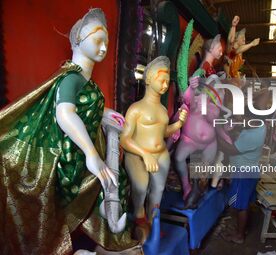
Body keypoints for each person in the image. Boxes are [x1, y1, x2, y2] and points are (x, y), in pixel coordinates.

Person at [0, 9, 137, 254]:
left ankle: (109, 234)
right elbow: (65, 114)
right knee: (102, 178)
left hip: (78, 149)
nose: (104, 47)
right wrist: (92, 155)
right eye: (98, 40)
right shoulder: (70, 78)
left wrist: (105, 113)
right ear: (78, 40)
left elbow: (85, 105)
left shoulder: (87, 82)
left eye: (106, 41)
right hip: (64, 153)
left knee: (116, 177)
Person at [120, 56, 187, 243]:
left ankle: (151, 221)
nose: (165, 85)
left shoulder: (163, 110)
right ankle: (139, 213)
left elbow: (163, 131)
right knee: (141, 187)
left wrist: (179, 123)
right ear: (149, 79)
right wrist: (144, 154)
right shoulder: (136, 109)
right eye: (161, 80)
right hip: (138, 155)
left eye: (167, 81)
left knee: (158, 190)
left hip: (161, 155)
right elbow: (124, 139)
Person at [218, 89, 270, 244]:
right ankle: (240, 229)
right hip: (250, 172)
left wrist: (217, 135)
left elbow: (230, 149)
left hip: (243, 174)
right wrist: (252, 98)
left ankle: (239, 236)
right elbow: (265, 93)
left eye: (246, 118)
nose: (243, 120)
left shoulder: (252, 135)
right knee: (243, 203)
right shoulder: (260, 127)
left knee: (240, 206)